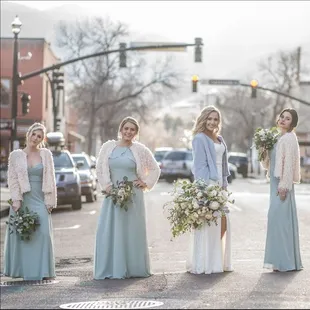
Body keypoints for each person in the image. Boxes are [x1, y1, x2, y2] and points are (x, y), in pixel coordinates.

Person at [94, 116, 161, 279]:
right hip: (113, 194)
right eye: (126, 128)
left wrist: (144, 182)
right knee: (110, 229)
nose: (128, 132)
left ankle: (134, 268)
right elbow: (100, 168)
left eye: (132, 130)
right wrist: (107, 187)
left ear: (136, 133)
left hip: (133, 196)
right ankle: (112, 267)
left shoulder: (140, 150)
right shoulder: (107, 147)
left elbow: (155, 169)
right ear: (121, 129)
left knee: (132, 230)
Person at [4, 122, 57, 280]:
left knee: (43, 233)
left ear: (42, 139)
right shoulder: (16, 155)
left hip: (40, 198)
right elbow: (12, 179)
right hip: (22, 199)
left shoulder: (46, 154)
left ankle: (43, 270)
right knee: (22, 235)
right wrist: (16, 200)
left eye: (39, 136)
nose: (35, 138)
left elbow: (51, 178)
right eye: (34, 134)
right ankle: (22, 270)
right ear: (28, 134)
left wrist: (50, 201)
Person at [187, 106, 232, 274]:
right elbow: (199, 167)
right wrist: (204, 190)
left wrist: (224, 185)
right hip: (208, 185)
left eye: (216, 119)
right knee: (207, 223)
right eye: (210, 118)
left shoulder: (220, 139)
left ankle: (215, 259)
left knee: (222, 223)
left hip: (221, 184)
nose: (213, 122)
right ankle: (204, 262)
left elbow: (224, 165)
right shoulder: (199, 138)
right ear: (204, 119)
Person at [261, 108, 303, 272]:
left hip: (282, 186)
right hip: (274, 185)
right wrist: (264, 150)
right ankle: (279, 261)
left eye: (287, 118)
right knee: (277, 223)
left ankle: (285, 261)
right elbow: (267, 164)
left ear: (292, 123)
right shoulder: (277, 137)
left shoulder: (289, 138)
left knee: (281, 223)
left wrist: (284, 186)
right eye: (282, 117)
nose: (283, 120)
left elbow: (289, 165)